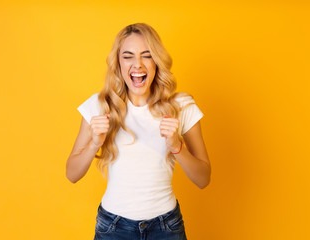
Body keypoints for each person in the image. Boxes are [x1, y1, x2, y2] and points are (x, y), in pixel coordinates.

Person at [66, 23, 211, 240]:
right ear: (118, 62)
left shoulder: (181, 106)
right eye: (128, 56)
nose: (138, 65)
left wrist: (177, 147)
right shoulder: (100, 105)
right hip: (113, 229)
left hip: (166, 228)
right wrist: (94, 143)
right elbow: (72, 174)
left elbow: (203, 179)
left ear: (157, 61)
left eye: (147, 55)